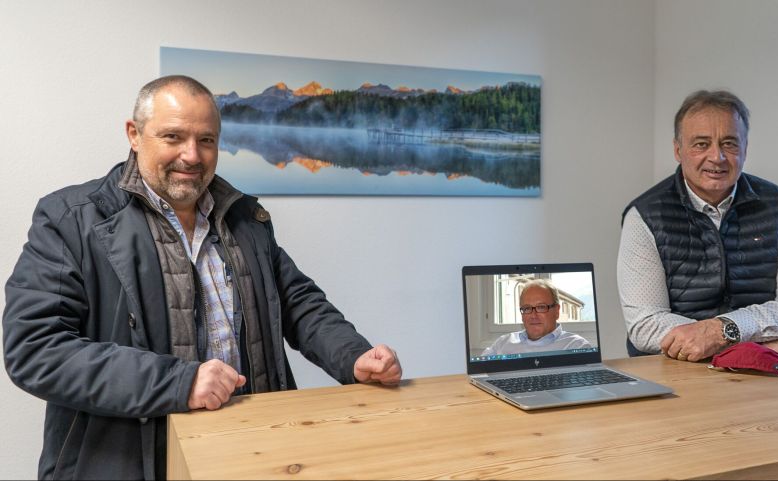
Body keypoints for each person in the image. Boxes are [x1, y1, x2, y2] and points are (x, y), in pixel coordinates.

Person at [2, 75, 402, 480]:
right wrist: (178, 382)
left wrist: (353, 355)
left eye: (206, 140)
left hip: (255, 451)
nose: (192, 155)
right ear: (134, 135)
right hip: (131, 464)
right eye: (173, 137)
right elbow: (35, 348)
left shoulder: (245, 217)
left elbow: (297, 301)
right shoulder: (71, 219)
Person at [617, 89, 778, 365]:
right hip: (675, 374)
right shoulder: (644, 215)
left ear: (745, 148)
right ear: (678, 149)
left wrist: (723, 331)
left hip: (768, 375)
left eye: (729, 143)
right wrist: (753, 351)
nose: (717, 157)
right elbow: (645, 325)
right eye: (701, 144)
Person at [482, 279, 592, 356]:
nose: (533, 315)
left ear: (557, 311)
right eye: (527, 308)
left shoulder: (577, 347)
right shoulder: (502, 344)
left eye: (541, 307)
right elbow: (478, 374)